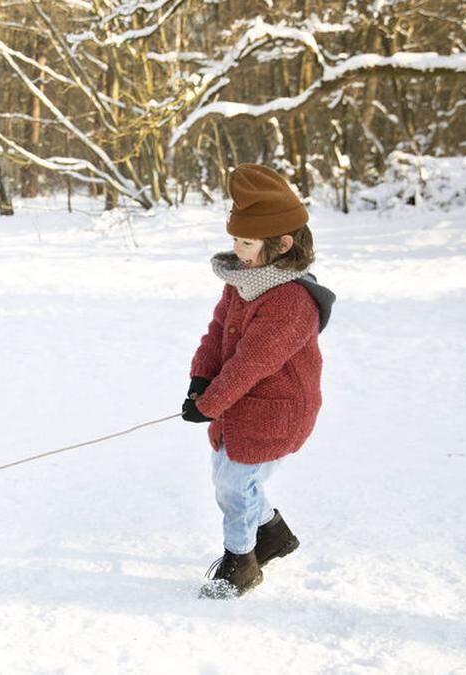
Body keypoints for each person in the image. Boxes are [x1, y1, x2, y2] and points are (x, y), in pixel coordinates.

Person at [182, 164, 336, 599]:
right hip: (239, 402)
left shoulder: (290, 300)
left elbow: (253, 362)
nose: (237, 250)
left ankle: (241, 564)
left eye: (246, 243)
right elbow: (217, 332)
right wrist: (200, 379)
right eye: (235, 239)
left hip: (278, 408)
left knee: (234, 484)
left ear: (282, 243)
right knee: (229, 477)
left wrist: (211, 403)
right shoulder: (244, 281)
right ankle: (273, 533)